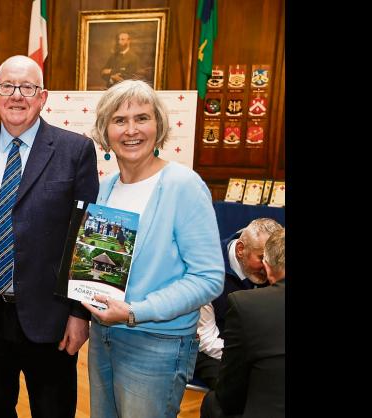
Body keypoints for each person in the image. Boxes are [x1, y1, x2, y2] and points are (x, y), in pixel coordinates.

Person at [0, 55, 99, 418]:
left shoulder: (74, 150)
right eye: (7, 86)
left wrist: (80, 313)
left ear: (43, 96)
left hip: (49, 317)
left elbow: (85, 240)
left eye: (28, 87)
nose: (16, 95)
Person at [84, 79, 224, 418]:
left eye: (142, 118)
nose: (132, 130)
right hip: (103, 338)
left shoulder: (183, 185)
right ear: (105, 131)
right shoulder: (103, 189)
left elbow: (208, 278)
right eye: (119, 120)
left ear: (158, 126)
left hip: (157, 345)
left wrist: (135, 310)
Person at [200, 228, 285, 418]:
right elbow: (206, 339)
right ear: (240, 250)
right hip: (215, 351)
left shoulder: (273, 271)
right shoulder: (208, 269)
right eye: (262, 257)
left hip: (261, 351)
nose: (266, 264)